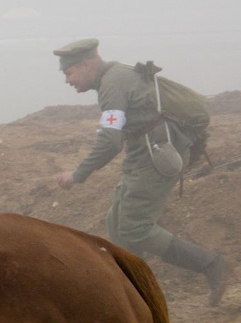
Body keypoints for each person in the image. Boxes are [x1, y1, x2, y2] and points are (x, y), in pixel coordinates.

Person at [53, 40, 226, 302]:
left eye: (69, 73)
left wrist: (78, 174)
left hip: (157, 156)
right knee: (117, 222)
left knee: (135, 228)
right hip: (143, 153)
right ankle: (133, 290)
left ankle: (211, 264)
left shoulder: (112, 84)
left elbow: (110, 141)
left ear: (86, 64)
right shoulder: (114, 78)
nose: (67, 80)